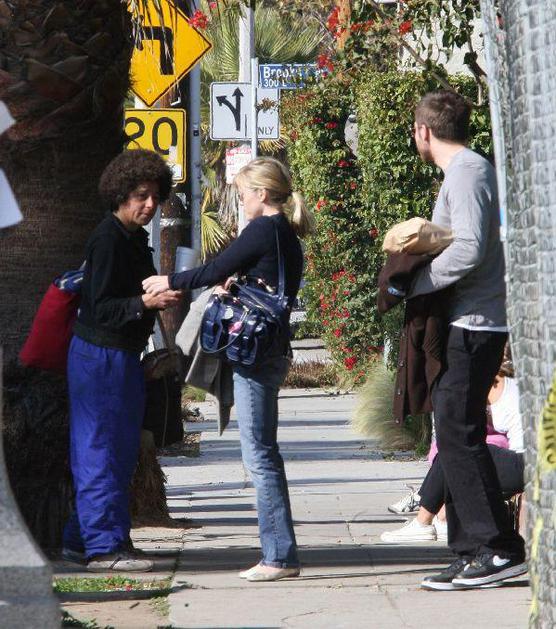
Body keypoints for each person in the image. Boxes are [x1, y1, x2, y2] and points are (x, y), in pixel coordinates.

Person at [143, 157, 315, 582]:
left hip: (256, 355)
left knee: (259, 456)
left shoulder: (263, 229)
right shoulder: (284, 232)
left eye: (242, 194)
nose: (240, 201)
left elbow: (215, 268)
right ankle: (280, 553)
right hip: (271, 350)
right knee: (264, 452)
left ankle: (279, 557)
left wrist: (169, 280)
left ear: (262, 193)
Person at [408, 91, 526, 590]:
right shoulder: (464, 172)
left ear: (424, 131)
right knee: (454, 434)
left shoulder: (469, 172)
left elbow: (472, 247)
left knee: (458, 433)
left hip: (476, 324)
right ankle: (471, 549)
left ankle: (498, 549)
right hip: (467, 320)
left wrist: (417, 281)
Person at [62, 150, 181, 572]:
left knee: (119, 452)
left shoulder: (132, 238)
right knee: (100, 452)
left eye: (155, 197)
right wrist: (144, 303)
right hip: (100, 357)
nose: (149, 205)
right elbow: (101, 307)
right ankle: (103, 549)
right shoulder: (108, 240)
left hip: (123, 356)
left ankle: (85, 540)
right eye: (140, 195)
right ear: (120, 193)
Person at [381, 365, 524, 544]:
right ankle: (441, 518)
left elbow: (462, 421)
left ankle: (423, 522)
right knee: (459, 451)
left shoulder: (490, 383)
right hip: (529, 462)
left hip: (523, 465)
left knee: (455, 450)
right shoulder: (513, 385)